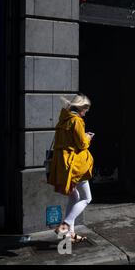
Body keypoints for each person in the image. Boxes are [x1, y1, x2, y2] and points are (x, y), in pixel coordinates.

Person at [47, 94, 94, 243]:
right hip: (75, 165)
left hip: (62, 164)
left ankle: (69, 234)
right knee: (87, 198)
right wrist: (88, 137)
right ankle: (65, 226)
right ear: (80, 108)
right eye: (85, 109)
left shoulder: (63, 120)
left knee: (74, 197)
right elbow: (81, 144)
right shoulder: (77, 121)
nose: (86, 112)